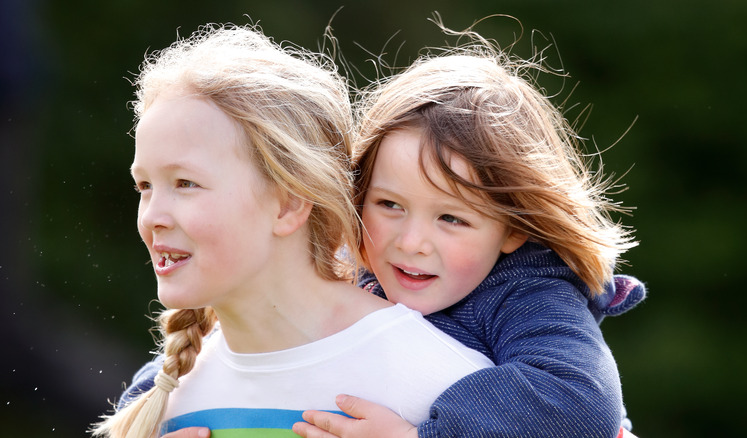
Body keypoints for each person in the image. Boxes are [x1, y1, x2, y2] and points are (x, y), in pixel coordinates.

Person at [90, 23, 494, 438]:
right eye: (145, 186)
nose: (152, 216)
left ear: (289, 204)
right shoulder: (171, 398)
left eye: (185, 184)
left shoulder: (432, 377)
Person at [293, 21, 646, 438]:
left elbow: (578, 403)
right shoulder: (339, 271)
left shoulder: (525, 293)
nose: (410, 243)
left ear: (514, 229)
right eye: (390, 205)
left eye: (451, 219)